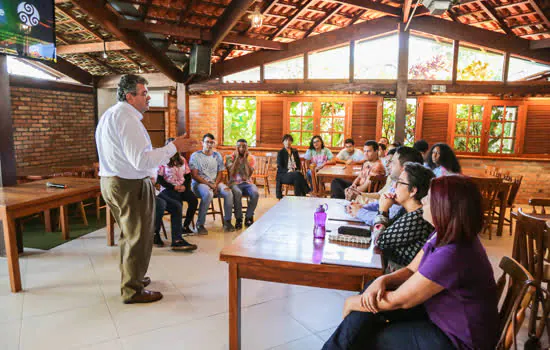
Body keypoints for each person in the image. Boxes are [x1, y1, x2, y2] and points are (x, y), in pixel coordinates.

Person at [323, 176, 499, 350]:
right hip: (437, 314)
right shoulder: (443, 234)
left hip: (457, 339)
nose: (422, 201)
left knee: (371, 332)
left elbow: (400, 301)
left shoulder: (453, 252)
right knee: (370, 301)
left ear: (443, 208)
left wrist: (352, 302)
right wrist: (381, 281)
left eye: (428, 198)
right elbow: (410, 270)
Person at [96, 74, 196, 304]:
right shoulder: (127, 119)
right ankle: (132, 290)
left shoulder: (111, 115)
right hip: (128, 184)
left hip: (112, 180)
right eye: (144, 93)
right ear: (129, 96)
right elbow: (141, 161)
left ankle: (134, 278)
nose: (148, 97)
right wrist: (173, 147)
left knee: (129, 235)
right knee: (138, 238)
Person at [372, 163, 435, 272]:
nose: (394, 186)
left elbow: (379, 241)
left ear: (413, 191)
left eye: (400, 182)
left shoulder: (419, 217)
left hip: (403, 279)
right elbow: (388, 232)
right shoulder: (406, 210)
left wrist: (383, 210)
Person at [348, 146, 424, 225]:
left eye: (393, 162)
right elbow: (381, 202)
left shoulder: (406, 188)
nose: (388, 165)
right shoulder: (397, 182)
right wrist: (359, 208)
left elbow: (387, 219)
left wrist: (359, 212)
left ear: (404, 168)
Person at [190, 133, 235, 234]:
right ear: (202, 143)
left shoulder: (217, 155)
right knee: (208, 193)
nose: (209, 145)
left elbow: (220, 172)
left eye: (211, 142)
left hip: (215, 182)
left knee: (228, 192)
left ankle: (227, 221)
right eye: (207, 142)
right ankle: (200, 224)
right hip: (200, 184)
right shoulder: (196, 156)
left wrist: (215, 184)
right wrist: (210, 185)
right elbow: (195, 175)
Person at [156, 146, 200, 249]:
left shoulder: (182, 159)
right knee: (177, 203)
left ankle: (185, 225)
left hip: (182, 186)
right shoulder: (163, 160)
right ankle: (175, 234)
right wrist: (173, 187)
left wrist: (185, 187)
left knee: (193, 199)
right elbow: (160, 179)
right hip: (168, 188)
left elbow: (188, 176)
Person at [225, 139, 259, 229]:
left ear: (247, 147)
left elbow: (248, 175)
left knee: (255, 192)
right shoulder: (229, 157)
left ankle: (249, 216)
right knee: (237, 193)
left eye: (243, 146)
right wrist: (236, 159)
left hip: (247, 183)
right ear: (236, 147)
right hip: (234, 183)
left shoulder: (251, 158)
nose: (241, 148)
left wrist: (244, 159)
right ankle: (239, 219)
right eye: (239, 146)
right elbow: (231, 173)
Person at [276, 134, 309, 199]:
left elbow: (298, 163)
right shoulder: (280, 152)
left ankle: (298, 197)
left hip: (294, 174)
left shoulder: (295, 151)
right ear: (283, 142)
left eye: (289, 140)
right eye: (286, 140)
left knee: (297, 178)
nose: (288, 142)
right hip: (284, 175)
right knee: (298, 174)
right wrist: (288, 170)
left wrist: (297, 169)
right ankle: (307, 191)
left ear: (291, 142)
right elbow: (279, 166)